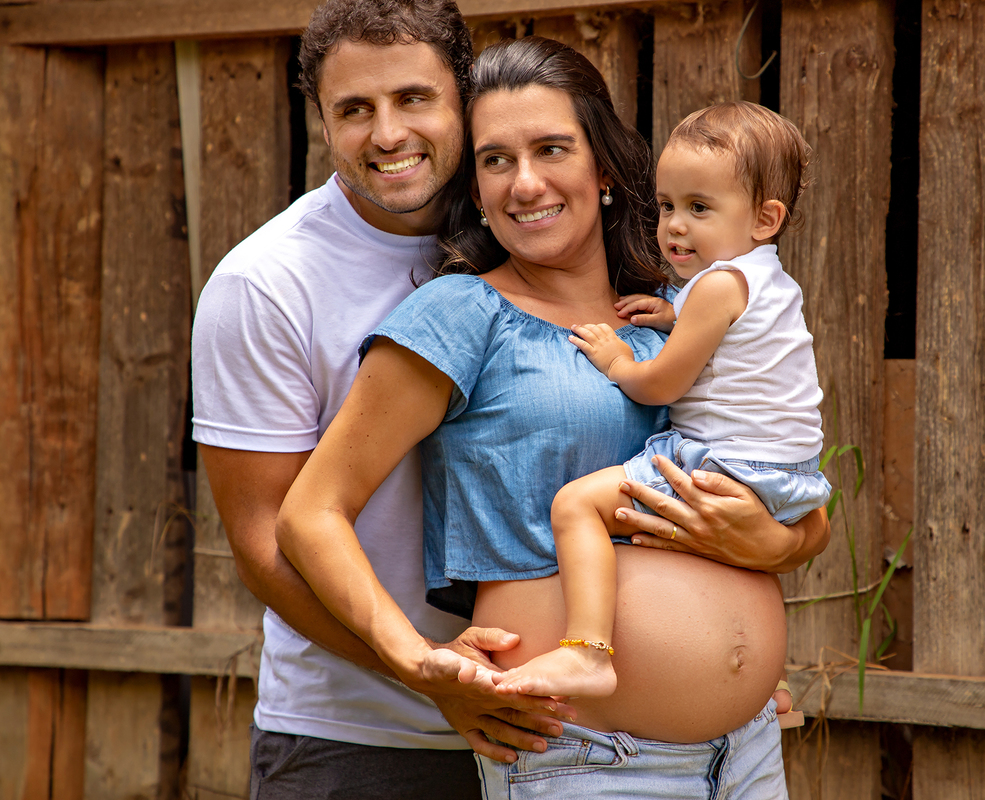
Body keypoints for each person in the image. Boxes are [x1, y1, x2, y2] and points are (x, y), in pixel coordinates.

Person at [275, 37, 829, 799]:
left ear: (603, 168)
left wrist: (783, 541)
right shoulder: (463, 313)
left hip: (748, 750)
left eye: (551, 149)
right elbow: (310, 514)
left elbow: (774, 468)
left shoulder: (665, 315)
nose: (524, 182)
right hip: (581, 755)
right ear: (474, 186)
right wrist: (413, 659)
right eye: (496, 160)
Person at [190, 1, 571, 796]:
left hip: (565, 731)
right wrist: (422, 673)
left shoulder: (538, 225)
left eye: (413, 99)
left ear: (463, 98)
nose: (388, 133)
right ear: (324, 123)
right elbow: (264, 544)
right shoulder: (266, 284)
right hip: (357, 739)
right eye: (354, 110)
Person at [494, 101, 831, 699]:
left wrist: (619, 362)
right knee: (711, 542)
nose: (675, 225)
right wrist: (677, 313)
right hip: (791, 477)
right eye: (669, 205)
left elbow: (661, 385)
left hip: (725, 462)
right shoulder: (768, 281)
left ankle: (588, 653)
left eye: (699, 208)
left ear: (765, 218)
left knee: (575, 506)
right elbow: (734, 339)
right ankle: (761, 678)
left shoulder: (718, 287)